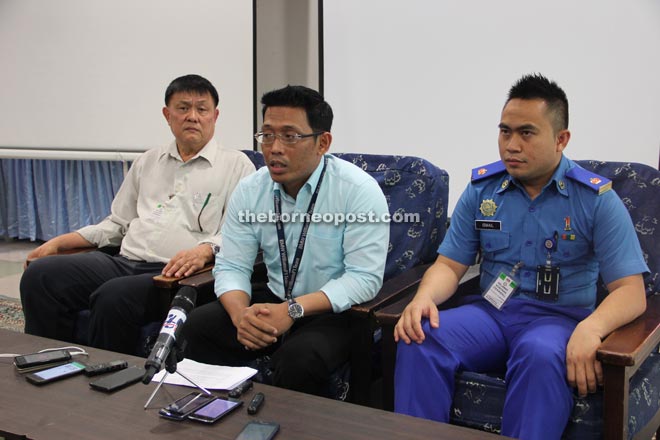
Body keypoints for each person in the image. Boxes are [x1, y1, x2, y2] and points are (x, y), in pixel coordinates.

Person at [393, 74, 648, 440]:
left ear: (561, 139)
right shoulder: (483, 190)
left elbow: (630, 290)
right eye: (505, 131)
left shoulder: (595, 200)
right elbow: (449, 265)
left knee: (540, 354)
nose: (511, 145)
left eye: (526, 133)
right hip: (492, 316)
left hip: (558, 320)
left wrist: (591, 329)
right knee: (419, 335)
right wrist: (423, 299)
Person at [20, 74, 255, 355]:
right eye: (182, 108)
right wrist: (59, 243)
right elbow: (117, 224)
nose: (192, 116)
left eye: (202, 109)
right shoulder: (148, 161)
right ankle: (48, 363)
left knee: (113, 297)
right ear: (167, 115)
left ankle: (107, 378)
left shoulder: (236, 166)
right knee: (41, 275)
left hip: (172, 275)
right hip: (124, 261)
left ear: (215, 116)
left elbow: (241, 233)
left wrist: (204, 250)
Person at [181, 85, 390, 396]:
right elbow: (232, 265)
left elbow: (364, 278)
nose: (274, 148)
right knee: (198, 326)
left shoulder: (358, 190)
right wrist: (241, 316)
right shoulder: (252, 189)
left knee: (300, 359)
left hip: (331, 311)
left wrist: (291, 311)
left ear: (323, 142)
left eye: (290, 136)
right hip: (274, 297)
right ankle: (213, 419)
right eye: (267, 135)